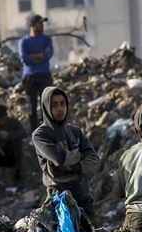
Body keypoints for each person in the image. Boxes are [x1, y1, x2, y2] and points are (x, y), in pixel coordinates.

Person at [33, 86, 100, 220]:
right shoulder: (40, 135)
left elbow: (94, 160)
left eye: (63, 104)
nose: (60, 109)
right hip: (59, 198)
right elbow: (60, 158)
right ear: (46, 107)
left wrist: (74, 167)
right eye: (54, 105)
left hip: (83, 195)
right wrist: (80, 155)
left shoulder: (75, 131)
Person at [19, 15, 54, 131]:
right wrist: (41, 56)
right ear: (32, 25)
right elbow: (24, 59)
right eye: (40, 23)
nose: (42, 25)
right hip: (30, 77)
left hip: (44, 75)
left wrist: (32, 56)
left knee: (46, 104)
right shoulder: (24, 41)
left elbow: (48, 55)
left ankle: (48, 130)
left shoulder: (46, 39)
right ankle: (35, 132)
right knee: (31, 106)